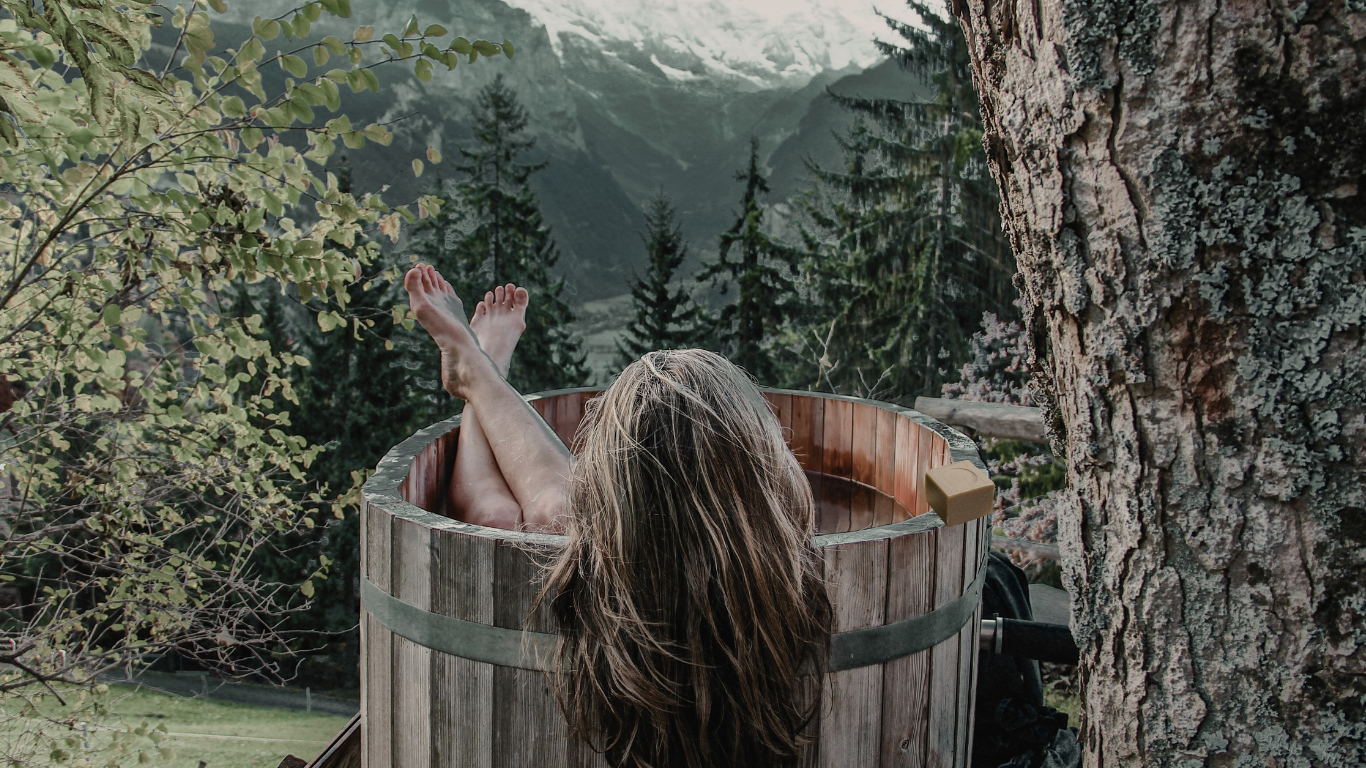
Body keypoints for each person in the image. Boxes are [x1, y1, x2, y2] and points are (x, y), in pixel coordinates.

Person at [404, 264, 832, 768]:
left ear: (613, 479)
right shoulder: (776, 548)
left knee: (512, 515)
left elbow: (511, 507)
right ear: (763, 460)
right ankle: (479, 372)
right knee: (548, 509)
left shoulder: (598, 565)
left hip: (608, 544)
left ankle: (480, 374)